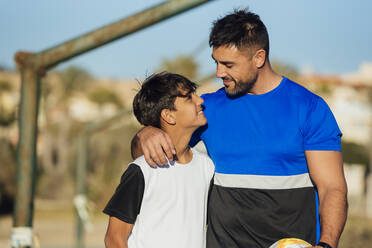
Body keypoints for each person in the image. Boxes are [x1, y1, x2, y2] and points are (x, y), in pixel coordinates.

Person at [131, 9, 348, 248]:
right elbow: (147, 155)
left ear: (258, 58)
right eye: (216, 62)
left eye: (228, 64)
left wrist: (326, 245)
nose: (218, 73)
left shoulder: (309, 108)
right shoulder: (206, 109)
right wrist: (147, 132)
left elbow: (332, 187)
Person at [104, 72, 214, 248]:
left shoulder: (207, 167)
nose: (200, 100)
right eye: (188, 97)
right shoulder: (142, 170)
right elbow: (114, 238)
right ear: (168, 115)